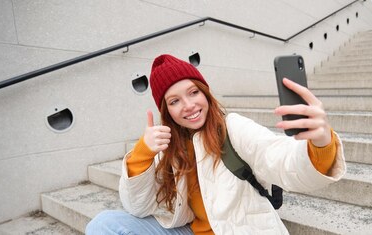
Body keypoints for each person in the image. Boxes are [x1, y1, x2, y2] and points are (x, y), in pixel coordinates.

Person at [86, 54, 345, 235]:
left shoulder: (233, 127)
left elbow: (281, 161)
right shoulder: (167, 146)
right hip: (190, 231)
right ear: (166, 111)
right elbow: (137, 208)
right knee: (103, 225)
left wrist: (320, 141)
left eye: (193, 92)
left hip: (240, 230)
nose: (188, 106)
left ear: (205, 92)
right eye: (174, 101)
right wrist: (142, 154)